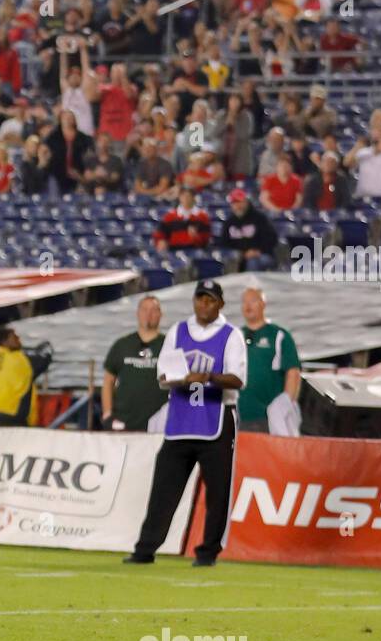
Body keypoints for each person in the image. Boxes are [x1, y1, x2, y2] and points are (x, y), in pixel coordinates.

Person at [124, 280, 246, 567]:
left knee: (217, 491)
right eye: (200, 299)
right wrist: (180, 378)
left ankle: (208, 552)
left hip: (216, 419)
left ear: (220, 304)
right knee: (163, 489)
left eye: (210, 300)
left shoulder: (231, 335)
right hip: (180, 420)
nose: (204, 305)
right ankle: (145, 548)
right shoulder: (178, 331)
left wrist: (207, 377)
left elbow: (238, 379)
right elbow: (164, 375)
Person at [237, 287, 302, 434]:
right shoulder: (235, 335)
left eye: (253, 301)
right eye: (244, 302)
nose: (248, 305)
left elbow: (293, 372)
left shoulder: (278, 335)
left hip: (265, 418)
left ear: (263, 304)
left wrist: (284, 407)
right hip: (236, 415)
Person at [101, 295, 167, 432]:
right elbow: (108, 381)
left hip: (158, 425)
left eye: (154, 310)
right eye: (144, 309)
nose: (149, 314)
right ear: (137, 313)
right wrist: (107, 414)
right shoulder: (122, 345)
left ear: (160, 314)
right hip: (125, 423)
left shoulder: (169, 345)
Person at [0, 323, 54, 426]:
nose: (19, 339)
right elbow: (46, 356)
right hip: (8, 415)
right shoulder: (24, 359)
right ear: (6, 341)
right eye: (15, 337)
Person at [220, 187, 277, 270]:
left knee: (253, 262)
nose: (237, 205)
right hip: (239, 256)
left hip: (261, 254)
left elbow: (271, 239)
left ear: (246, 202)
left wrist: (257, 251)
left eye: (240, 202)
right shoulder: (229, 222)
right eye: (234, 203)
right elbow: (224, 244)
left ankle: (252, 283)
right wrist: (240, 254)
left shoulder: (259, 218)